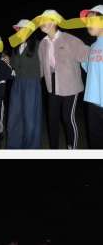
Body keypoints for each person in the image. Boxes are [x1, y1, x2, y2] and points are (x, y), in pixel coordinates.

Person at [38, 9, 90, 149]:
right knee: (52, 119)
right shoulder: (43, 44)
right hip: (52, 86)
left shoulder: (69, 39)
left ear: (54, 22)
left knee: (68, 118)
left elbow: (87, 54)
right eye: (41, 20)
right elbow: (40, 68)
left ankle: (72, 149)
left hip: (70, 86)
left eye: (45, 20)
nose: (41, 23)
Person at [7, 21, 42, 149]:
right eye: (17, 29)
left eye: (20, 29)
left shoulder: (38, 45)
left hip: (32, 84)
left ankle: (31, 148)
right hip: (17, 83)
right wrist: (8, 61)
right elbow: (14, 65)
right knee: (14, 116)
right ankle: (14, 147)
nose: (18, 31)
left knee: (30, 118)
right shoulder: (16, 47)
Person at [81, 5, 103, 148]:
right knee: (95, 142)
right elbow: (90, 70)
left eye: (92, 20)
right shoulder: (93, 47)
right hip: (93, 102)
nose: (88, 24)